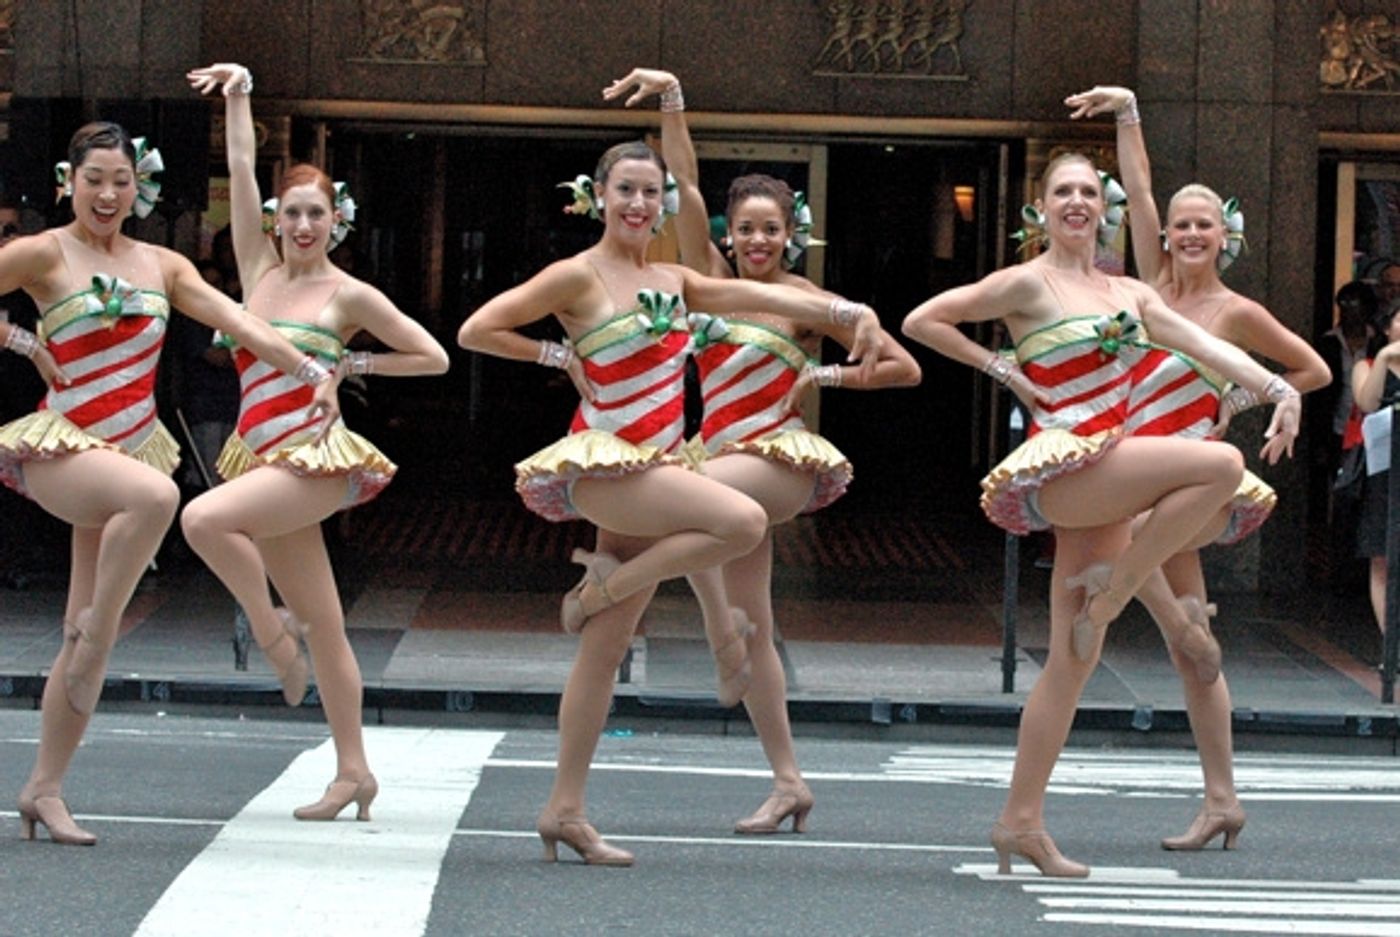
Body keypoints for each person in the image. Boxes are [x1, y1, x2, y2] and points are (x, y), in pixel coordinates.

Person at [458, 138, 884, 866]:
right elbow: (478, 329)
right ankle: (610, 584)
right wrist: (558, 356)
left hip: (653, 470)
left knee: (603, 652)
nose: (638, 204)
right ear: (598, 195)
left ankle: (563, 807)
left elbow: (760, 295)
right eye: (625, 190)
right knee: (742, 519)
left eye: (651, 192)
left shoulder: (676, 278)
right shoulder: (576, 274)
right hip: (606, 467)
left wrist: (851, 311)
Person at [901, 150, 1301, 877]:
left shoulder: (1128, 291)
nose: (1078, 201)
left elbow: (1205, 344)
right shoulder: (1028, 280)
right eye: (1064, 191)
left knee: (1072, 661)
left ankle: (1018, 821)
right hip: (1067, 467)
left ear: (1103, 209)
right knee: (1219, 464)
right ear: (1043, 209)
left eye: (1090, 190)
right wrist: (1006, 371)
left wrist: (1277, 389)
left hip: (1107, 477)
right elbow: (924, 319)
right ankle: (1118, 591)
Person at [0, 120, 340, 845]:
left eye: (121, 180)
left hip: (127, 451)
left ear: (139, 186)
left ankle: (43, 787)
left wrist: (315, 372)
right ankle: (110, 642)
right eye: (93, 178)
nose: (107, 192)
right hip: (64, 448)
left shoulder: (163, 265)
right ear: (69, 182)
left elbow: (241, 323)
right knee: (158, 499)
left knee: (90, 599)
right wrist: (23, 340)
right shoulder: (39, 252)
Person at [604, 67, 922, 835]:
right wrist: (676, 98)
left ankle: (675, 616)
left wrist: (826, 370)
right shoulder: (709, 282)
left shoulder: (807, 301)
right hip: (718, 452)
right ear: (726, 235)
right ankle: (787, 778)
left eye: (769, 229)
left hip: (777, 455)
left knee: (689, 500)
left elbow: (905, 367)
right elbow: (681, 179)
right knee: (757, 618)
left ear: (792, 234)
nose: (755, 240)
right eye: (744, 229)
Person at [1065, 85, 1330, 851]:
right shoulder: (1147, 286)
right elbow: (1138, 187)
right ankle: (1222, 799)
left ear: (1224, 237)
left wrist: (1238, 405)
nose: (1185, 232)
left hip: (1199, 475)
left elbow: (1309, 369)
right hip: (1141, 462)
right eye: (1179, 223)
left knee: (1124, 530)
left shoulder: (1234, 311)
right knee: (1191, 652)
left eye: (1201, 225)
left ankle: (1132, 606)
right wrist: (1127, 111)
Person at [185, 63, 449, 822]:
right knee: (331, 624)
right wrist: (241, 93)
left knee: (203, 519)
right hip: (264, 456)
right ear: (275, 219)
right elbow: (239, 166)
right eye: (292, 212)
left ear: (338, 220)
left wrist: (350, 360)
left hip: (318, 459)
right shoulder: (256, 274)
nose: (303, 225)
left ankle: (270, 634)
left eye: (316, 214)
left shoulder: (348, 294)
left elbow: (431, 355)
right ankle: (354, 770)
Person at [1352, 299, 1400, 638]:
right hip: (1383, 473)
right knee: (1381, 557)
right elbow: (1367, 403)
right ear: (1387, 327)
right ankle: (1391, 647)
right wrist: (1385, 358)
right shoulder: (1366, 365)